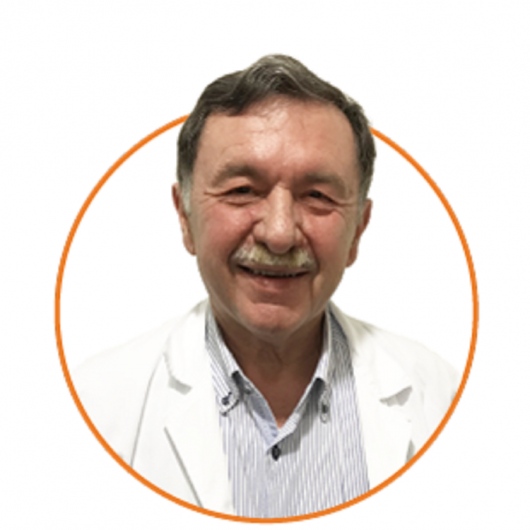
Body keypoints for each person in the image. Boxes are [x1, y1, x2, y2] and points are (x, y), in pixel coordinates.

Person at [74, 55, 459, 519]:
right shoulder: (92, 404)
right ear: (185, 217)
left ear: (358, 229)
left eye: (317, 196)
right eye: (242, 190)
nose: (279, 234)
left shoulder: (443, 398)